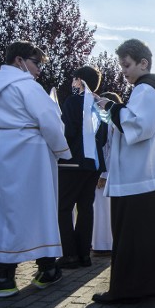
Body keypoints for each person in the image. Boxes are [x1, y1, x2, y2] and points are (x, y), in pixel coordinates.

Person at [0, 41, 71, 297]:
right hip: (30, 151)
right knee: (39, 209)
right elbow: (50, 120)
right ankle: (47, 269)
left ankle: (5, 275)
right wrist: (61, 150)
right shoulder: (27, 86)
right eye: (36, 63)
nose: (38, 71)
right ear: (19, 60)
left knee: (3, 212)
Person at [91, 39, 155, 304]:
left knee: (132, 237)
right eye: (121, 66)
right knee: (143, 236)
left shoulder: (146, 90)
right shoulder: (147, 90)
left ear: (143, 63)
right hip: (145, 178)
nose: (123, 71)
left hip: (138, 179)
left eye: (126, 65)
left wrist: (110, 107)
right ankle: (146, 285)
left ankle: (128, 289)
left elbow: (138, 128)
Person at [56, 66, 106, 269]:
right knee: (86, 207)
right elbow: (103, 136)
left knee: (64, 208)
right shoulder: (100, 105)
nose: (72, 83)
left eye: (74, 80)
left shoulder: (72, 101)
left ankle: (69, 254)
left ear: (78, 81)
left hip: (72, 162)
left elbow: (67, 132)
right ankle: (84, 253)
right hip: (93, 163)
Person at [91, 91, 120, 256]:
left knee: (104, 209)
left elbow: (111, 149)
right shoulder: (102, 121)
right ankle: (98, 242)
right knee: (98, 208)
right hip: (99, 169)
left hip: (107, 171)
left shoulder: (112, 123)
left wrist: (104, 174)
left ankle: (105, 244)